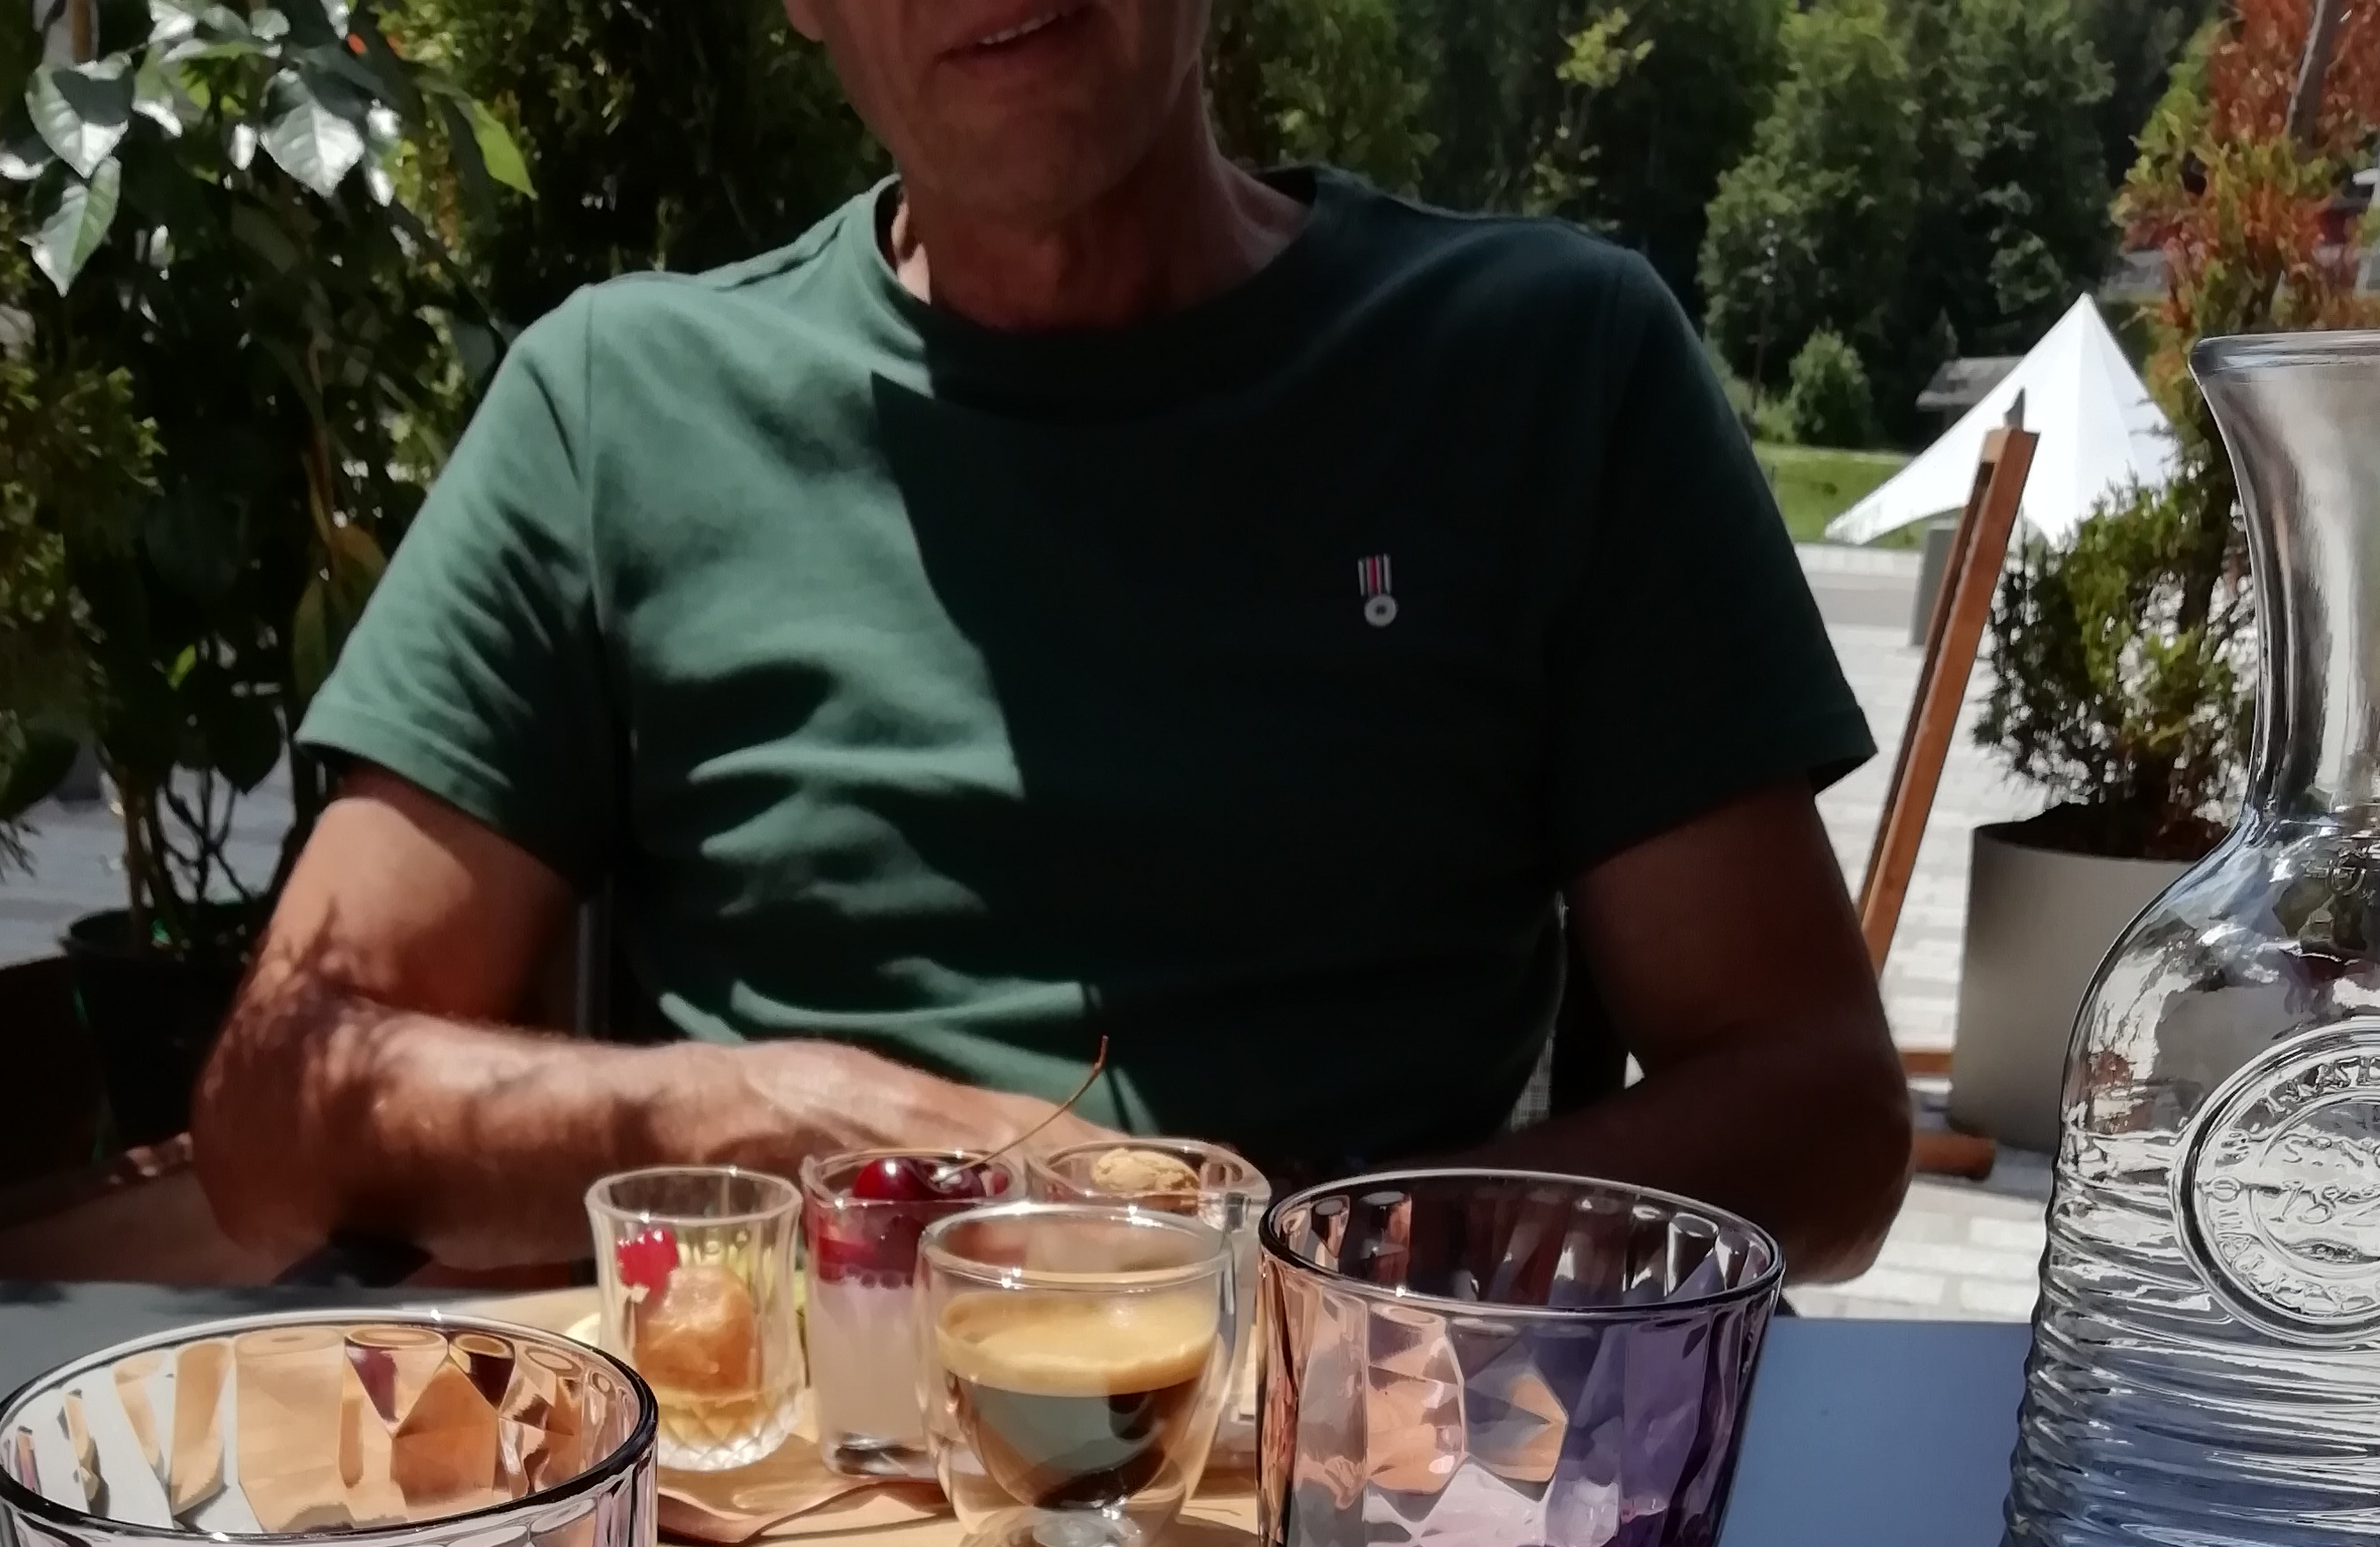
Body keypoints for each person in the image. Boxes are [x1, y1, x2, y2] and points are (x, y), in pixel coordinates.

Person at [195, 0, 1909, 1283]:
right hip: (776, 1532)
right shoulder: (615, 411)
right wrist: (765, 1126)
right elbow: (278, 1113)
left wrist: (1331, 1286)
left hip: (1358, 1516)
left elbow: (1821, 1114)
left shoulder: (1547, 370)